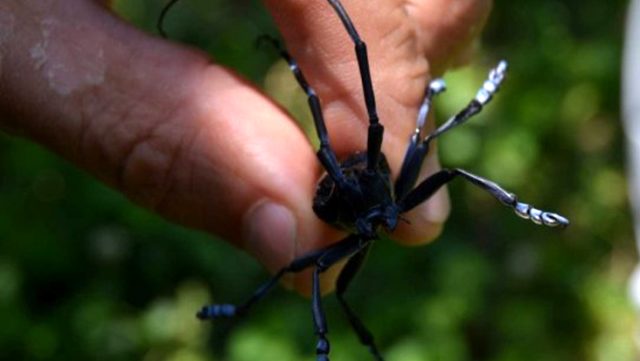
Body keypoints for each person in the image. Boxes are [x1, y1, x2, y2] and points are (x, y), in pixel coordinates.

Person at [0, 0, 492, 293]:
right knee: (373, 103)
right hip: (339, 189)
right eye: (386, 221)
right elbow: (341, 138)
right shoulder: (371, 193)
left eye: (386, 222)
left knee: (331, 270)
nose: (389, 223)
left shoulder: (384, 212)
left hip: (343, 197)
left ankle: (310, 329)